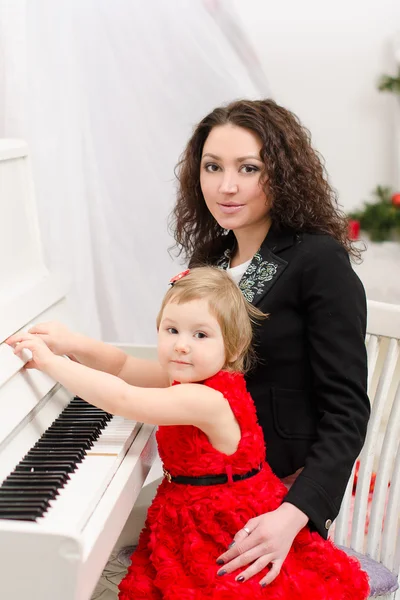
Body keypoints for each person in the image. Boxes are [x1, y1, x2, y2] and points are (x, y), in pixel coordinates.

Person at [7, 266, 369, 599]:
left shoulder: (204, 398)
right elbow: (124, 365)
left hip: (222, 528)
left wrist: (50, 362)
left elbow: (122, 398)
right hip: (191, 510)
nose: (182, 344)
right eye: (172, 330)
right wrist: (73, 343)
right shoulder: (190, 376)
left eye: (200, 334)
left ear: (234, 346)